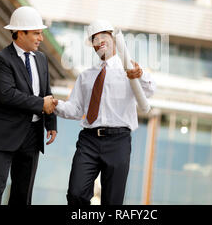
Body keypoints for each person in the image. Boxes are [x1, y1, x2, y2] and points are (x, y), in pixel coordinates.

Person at [54, 20, 156, 205]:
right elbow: (75, 109)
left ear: (113, 39)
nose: (99, 41)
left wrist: (139, 74)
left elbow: (149, 90)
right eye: (95, 39)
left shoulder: (130, 69)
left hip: (118, 142)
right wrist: (54, 104)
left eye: (103, 36)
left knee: (112, 201)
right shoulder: (86, 76)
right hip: (89, 141)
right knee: (76, 194)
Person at [0, 6, 58, 205]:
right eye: (37, 33)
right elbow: (8, 95)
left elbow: (46, 92)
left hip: (32, 134)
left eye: (41, 33)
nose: (41, 38)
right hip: (4, 133)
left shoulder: (41, 59)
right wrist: (41, 104)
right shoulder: (1, 59)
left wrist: (51, 123)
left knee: (23, 193)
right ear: (20, 33)